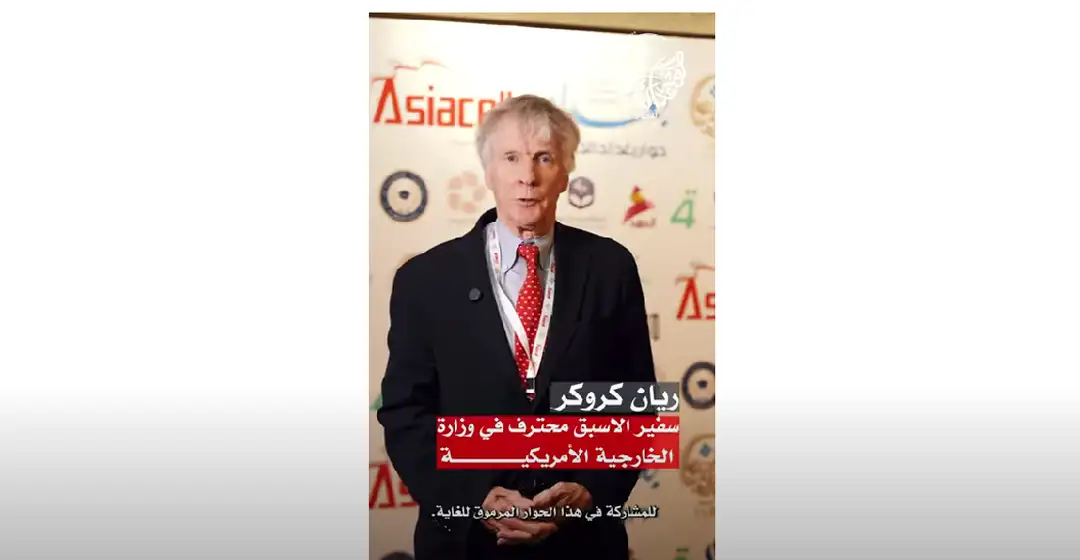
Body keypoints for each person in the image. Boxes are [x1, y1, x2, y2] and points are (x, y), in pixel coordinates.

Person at [377, 95, 657, 560]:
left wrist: (589, 490)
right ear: (487, 171)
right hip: (465, 544)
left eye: (544, 158)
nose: (527, 176)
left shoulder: (611, 268)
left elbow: (635, 403)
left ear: (566, 173)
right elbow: (406, 414)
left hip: (582, 543)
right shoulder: (425, 279)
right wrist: (475, 496)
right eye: (511, 158)